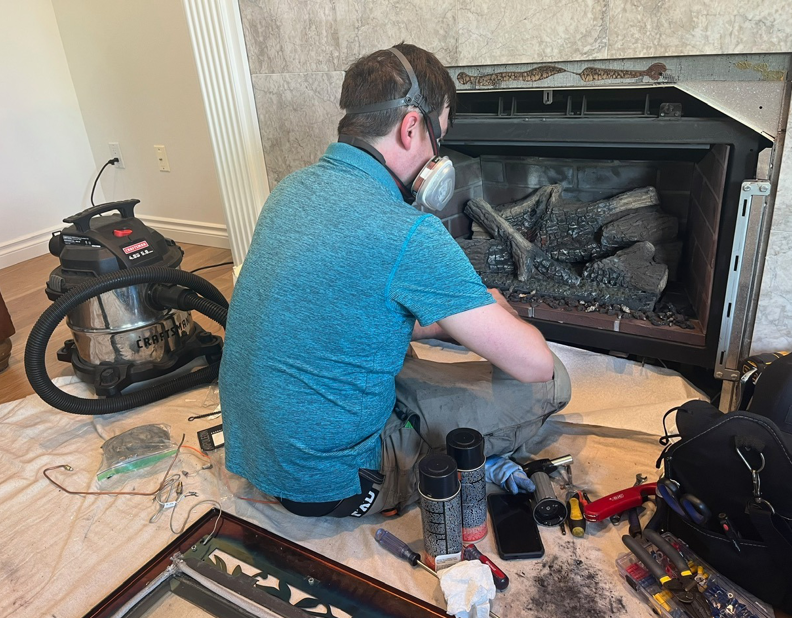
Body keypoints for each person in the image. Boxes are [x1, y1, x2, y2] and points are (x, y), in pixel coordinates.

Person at [219, 43, 571, 518]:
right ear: (410, 127)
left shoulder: (289, 191)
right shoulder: (408, 232)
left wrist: (449, 320)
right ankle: (431, 467)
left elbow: (347, 315)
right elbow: (533, 364)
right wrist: (496, 308)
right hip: (334, 483)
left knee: (397, 339)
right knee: (554, 382)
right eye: (437, 138)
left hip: (258, 454)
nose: (436, 155)